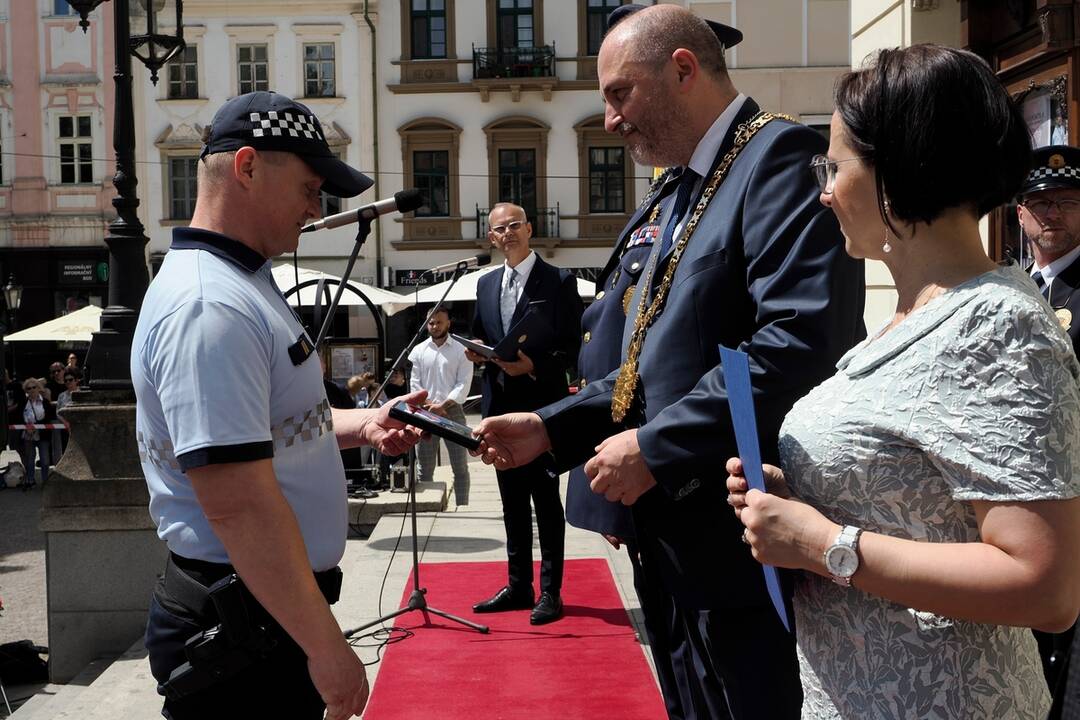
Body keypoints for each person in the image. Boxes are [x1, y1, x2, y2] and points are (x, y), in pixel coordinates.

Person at [473, 6, 865, 717]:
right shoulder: (680, 186)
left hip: (742, 538)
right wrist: (551, 425)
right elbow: (646, 363)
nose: (611, 119)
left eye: (620, 93)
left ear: (683, 70)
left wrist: (656, 447)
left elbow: (794, 345)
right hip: (673, 534)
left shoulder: (775, 158)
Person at [723, 45, 1080, 719]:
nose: (824, 190)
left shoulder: (998, 325)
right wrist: (799, 500)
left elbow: (1044, 586)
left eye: (834, 166)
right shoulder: (917, 313)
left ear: (899, 169)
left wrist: (822, 543)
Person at [131, 90, 425, 720]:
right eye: (310, 188)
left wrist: (364, 424)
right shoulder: (210, 305)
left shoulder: (243, 280)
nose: (315, 208)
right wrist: (326, 648)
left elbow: (269, 429)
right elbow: (237, 502)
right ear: (247, 168)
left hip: (260, 612)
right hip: (246, 626)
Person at [467, 201, 584, 626]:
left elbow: (574, 346)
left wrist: (533, 366)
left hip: (542, 410)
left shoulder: (559, 281)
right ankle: (519, 586)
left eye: (515, 224)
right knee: (512, 503)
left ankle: (550, 591)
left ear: (530, 229)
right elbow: (484, 334)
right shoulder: (484, 284)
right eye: (500, 229)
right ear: (492, 238)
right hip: (498, 408)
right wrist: (477, 353)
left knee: (546, 503)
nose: (508, 233)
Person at [1016, 145, 1080, 717]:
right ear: (1019, 214)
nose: (1051, 214)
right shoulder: (1013, 288)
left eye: (1063, 202)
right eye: (1038, 203)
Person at [407, 306, 473, 505]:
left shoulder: (462, 350)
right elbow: (415, 383)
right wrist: (430, 405)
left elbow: (464, 382)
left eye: (439, 322)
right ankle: (428, 506)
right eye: (431, 323)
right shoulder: (418, 350)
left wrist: (444, 404)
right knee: (424, 468)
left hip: (452, 410)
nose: (435, 326)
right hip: (425, 412)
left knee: (460, 466)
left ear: (448, 324)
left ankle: (462, 506)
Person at [19, 377, 55, 489]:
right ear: (26, 390)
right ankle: (30, 480)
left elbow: (49, 417)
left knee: (44, 460)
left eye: (34, 387)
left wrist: (36, 426)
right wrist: (27, 427)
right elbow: (19, 417)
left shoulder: (45, 402)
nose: (31, 390)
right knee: (30, 460)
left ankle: (45, 481)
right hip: (28, 435)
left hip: (43, 435)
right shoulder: (24, 403)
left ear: (39, 388)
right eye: (28, 388)